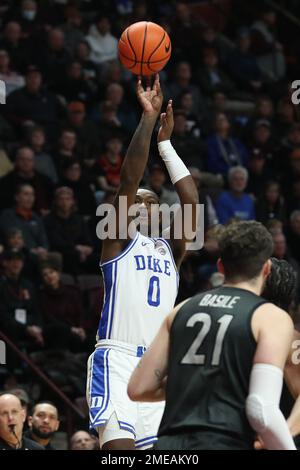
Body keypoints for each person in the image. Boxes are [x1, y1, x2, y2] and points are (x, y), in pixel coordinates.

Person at [86, 74, 198, 450]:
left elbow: (191, 203)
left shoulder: (172, 249)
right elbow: (128, 179)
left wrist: (166, 146)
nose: (144, 206)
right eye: (138, 202)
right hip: (116, 358)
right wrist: (149, 119)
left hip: (156, 370)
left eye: (152, 203)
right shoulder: (116, 243)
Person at [128, 221, 295, 450]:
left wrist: (194, 381)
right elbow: (261, 409)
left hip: (168, 446)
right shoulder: (270, 317)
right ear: (266, 268)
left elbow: (138, 388)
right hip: (222, 441)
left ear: (220, 267)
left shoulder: (181, 309)